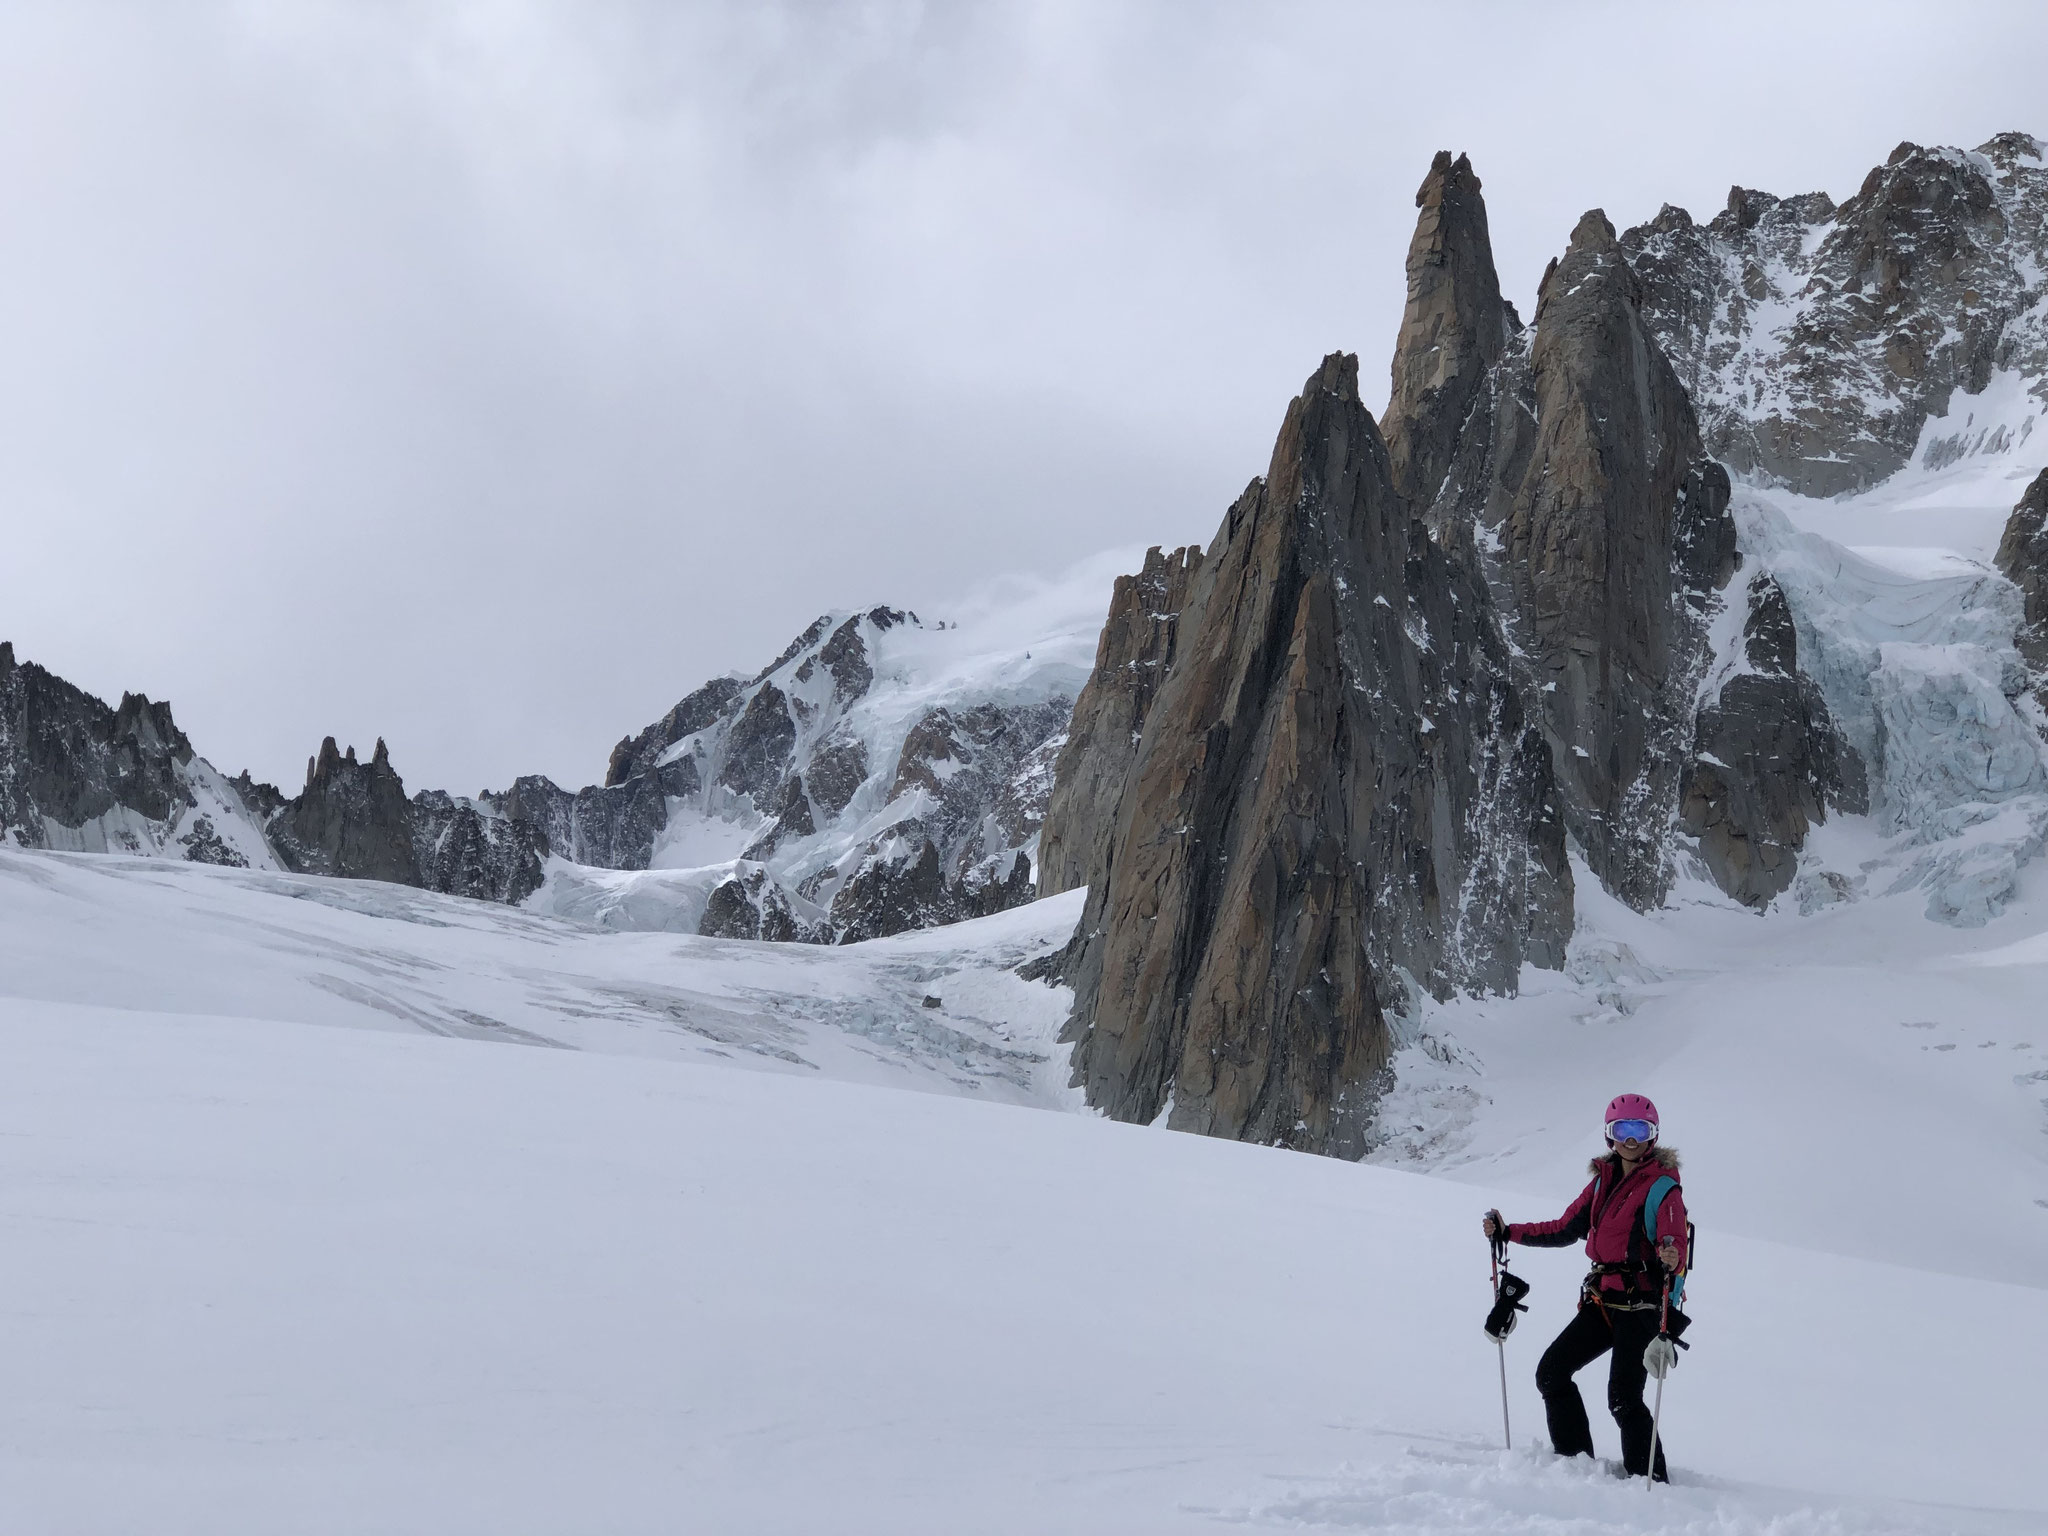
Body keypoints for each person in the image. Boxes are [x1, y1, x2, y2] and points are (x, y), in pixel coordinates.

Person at [1481, 1094, 1687, 1481]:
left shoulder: (1663, 1188)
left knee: (1624, 1399)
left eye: (1639, 1130)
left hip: (1641, 1308)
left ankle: (1653, 1487)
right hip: (1602, 1302)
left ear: (1653, 1135)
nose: (1630, 1139)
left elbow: (1674, 1241)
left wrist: (1671, 1255)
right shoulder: (1602, 1183)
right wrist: (1510, 1232)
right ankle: (1575, 1467)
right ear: (1610, 1136)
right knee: (1551, 1373)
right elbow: (1563, 1228)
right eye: (1621, 1129)